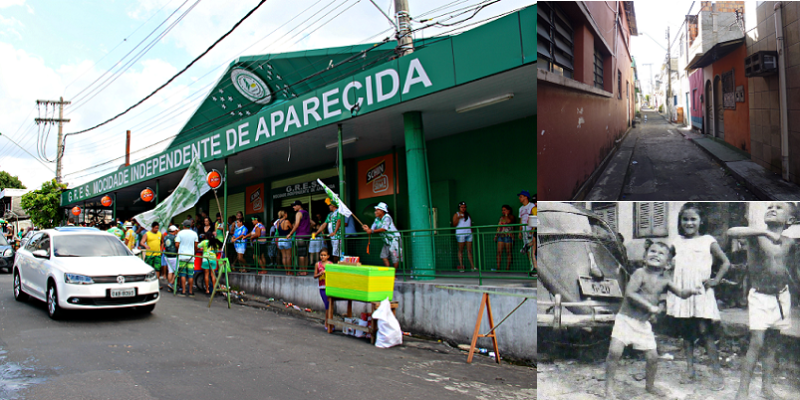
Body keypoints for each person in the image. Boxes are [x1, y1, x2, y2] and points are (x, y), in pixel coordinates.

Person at [605, 241, 703, 400]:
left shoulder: (666, 280)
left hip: (643, 325)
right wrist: (650, 307)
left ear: (668, 264)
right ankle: (609, 389)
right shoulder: (639, 273)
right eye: (652, 251)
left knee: (652, 357)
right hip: (625, 320)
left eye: (661, 253)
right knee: (614, 352)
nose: (656, 254)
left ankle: (650, 385)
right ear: (645, 257)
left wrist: (691, 291)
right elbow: (630, 294)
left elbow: (681, 293)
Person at [728, 202, 798, 400]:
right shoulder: (756, 236)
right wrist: (764, 232)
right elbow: (731, 232)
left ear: (790, 220)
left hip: (781, 297)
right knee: (757, 342)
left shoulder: (789, 242)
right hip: (760, 297)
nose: (772, 209)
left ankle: (766, 388)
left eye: (778, 207)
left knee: (772, 344)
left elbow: (790, 270)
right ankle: (743, 390)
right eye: (769, 206)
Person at [667, 203, 730, 390]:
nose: (688, 223)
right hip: (682, 292)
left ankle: (717, 373)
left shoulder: (707, 240)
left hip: (701, 292)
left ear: (701, 221)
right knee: (687, 333)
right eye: (685, 219)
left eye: (693, 219)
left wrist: (716, 280)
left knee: (705, 331)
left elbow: (726, 262)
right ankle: (690, 370)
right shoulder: (676, 242)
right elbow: (667, 263)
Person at [362, 202, 401, 268]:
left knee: (395, 258)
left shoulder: (387, 217)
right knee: (384, 256)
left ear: (382, 211)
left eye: (377, 210)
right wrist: (367, 229)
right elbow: (372, 229)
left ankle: (394, 275)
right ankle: (388, 273)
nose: (375, 212)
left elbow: (384, 229)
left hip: (394, 240)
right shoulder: (376, 219)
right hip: (386, 241)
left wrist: (371, 231)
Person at [285, 200, 311, 275]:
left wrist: (290, 233)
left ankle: (303, 271)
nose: (293, 207)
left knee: (301, 254)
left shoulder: (299, 213)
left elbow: (296, 225)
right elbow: (311, 223)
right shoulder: (306, 213)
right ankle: (305, 270)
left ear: (299, 206)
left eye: (295, 205)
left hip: (300, 235)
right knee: (305, 254)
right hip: (307, 235)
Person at [175, 220, 199, 297]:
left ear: (184, 226)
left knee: (183, 274)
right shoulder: (194, 233)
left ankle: (183, 291)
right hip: (191, 256)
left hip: (182, 255)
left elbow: (176, 244)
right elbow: (196, 245)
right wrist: (194, 251)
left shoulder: (180, 233)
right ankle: (191, 292)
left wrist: (180, 249)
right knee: (190, 275)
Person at [452, 201, 474, 272]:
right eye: (462, 207)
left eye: (464, 207)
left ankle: (472, 266)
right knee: (461, 250)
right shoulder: (456, 214)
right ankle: (461, 266)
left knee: (469, 250)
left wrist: (471, 231)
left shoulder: (468, 214)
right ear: (459, 208)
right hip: (460, 234)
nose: (463, 209)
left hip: (469, 233)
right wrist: (458, 218)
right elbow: (454, 224)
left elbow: (470, 224)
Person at [494, 205, 516, 271]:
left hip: (508, 236)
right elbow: (499, 227)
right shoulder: (501, 217)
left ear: (509, 210)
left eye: (505, 210)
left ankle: (507, 268)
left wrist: (506, 215)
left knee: (508, 252)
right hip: (500, 235)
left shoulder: (511, 217)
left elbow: (509, 221)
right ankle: (498, 267)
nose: (503, 211)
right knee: (499, 252)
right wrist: (496, 235)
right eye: (502, 210)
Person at [314, 247, 332, 312]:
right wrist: (320, 274)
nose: (323, 257)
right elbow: (315, 276)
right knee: (326, 304)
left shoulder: (330, 264)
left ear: (328, 256)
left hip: (329, 286)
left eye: (325, 255)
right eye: (321, 255)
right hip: (322, 286)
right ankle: (327, 321)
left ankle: (328, 320)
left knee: (329, 304)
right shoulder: (317, 264)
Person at [163, 225, 179, 291]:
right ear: (174, 231)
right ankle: (171, 283)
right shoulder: (175, 237)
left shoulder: (165, 237)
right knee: (176, 271)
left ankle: (170, 286)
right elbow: (177, 245)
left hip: (167, 255)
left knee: (170, 270)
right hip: (174, 255)